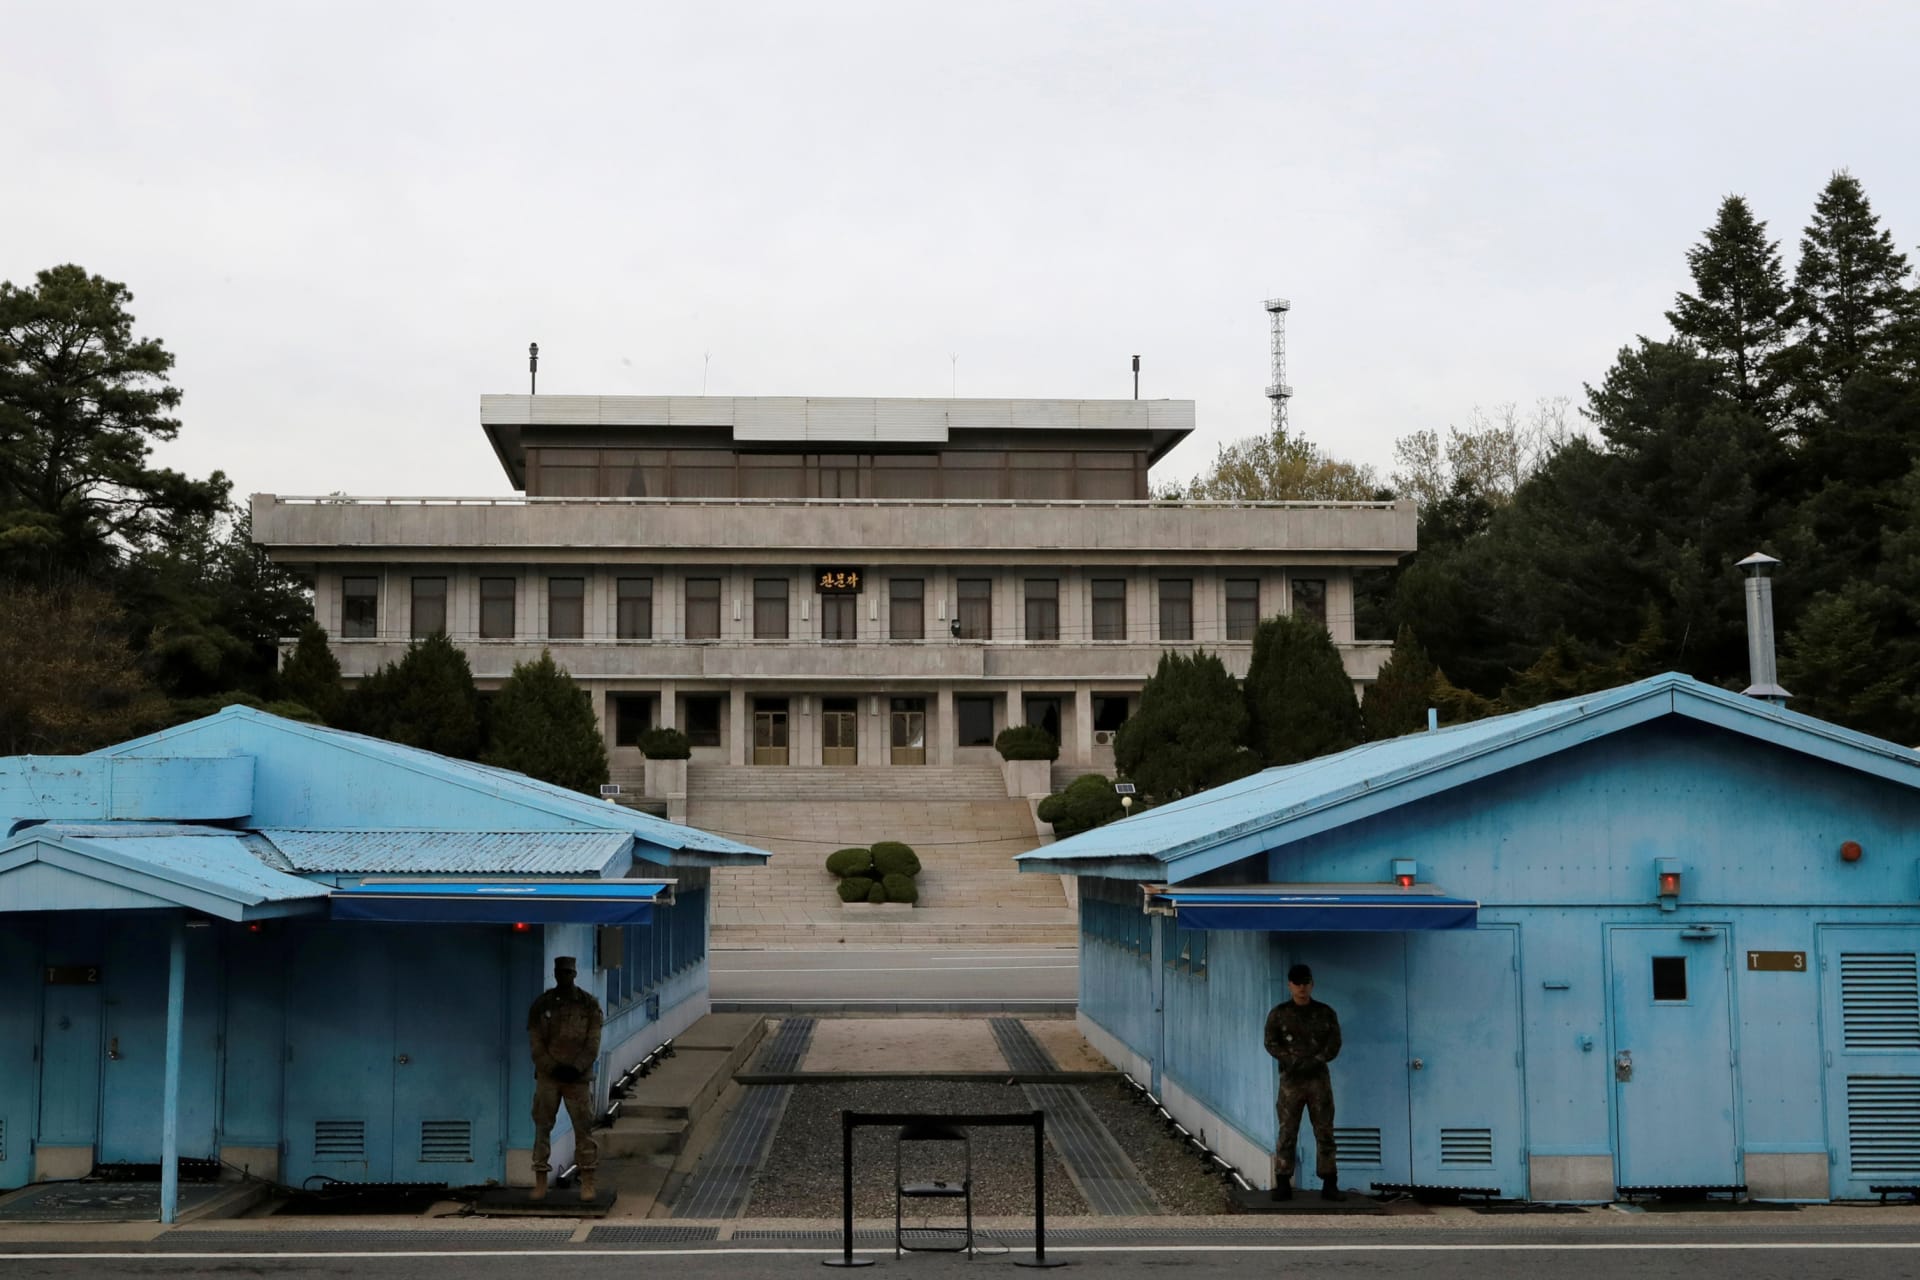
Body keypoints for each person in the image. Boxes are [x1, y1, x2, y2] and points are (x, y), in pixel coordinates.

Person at [1264, 962, 1343, 1201]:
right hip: (1291, 1081)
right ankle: (1283, 1181)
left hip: (1318, 1080)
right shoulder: (1279, 1014)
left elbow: (1334, 1042)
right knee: (1288, 1131)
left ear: (1312, 984)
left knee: (1324, 1131)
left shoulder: (1325, 1013)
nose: (1301, 988)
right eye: (1297, 983)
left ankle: (1329, 1182)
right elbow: (1271, 1042)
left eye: (1305, 983)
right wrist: (1291, 1060)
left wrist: (1318, 1059)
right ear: (1289, 985)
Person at [527, 954, 604, 1201]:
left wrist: (577, 1066)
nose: (564, 976)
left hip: (578, 1077)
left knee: (584, 1128)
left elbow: (593, 1042)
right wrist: (551, 1067)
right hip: (549, 1077)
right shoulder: (542, 1005)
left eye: (568, 972)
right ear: (555, 973)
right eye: (560, 972)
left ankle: (588, 1180)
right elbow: (535, 1042)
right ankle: (540, 1179)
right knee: (542, 1126)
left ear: (574, 974)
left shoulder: (588, 1004)